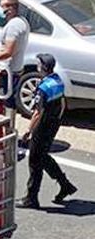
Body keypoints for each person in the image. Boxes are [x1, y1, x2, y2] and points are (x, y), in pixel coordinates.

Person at [19, 53, 77, 208]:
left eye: (39, 64)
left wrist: (28, 131)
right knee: (42, 157)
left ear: (42, 67)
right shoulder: (58, 80)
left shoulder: (43, 87)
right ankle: (65, 185)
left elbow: (38, 112)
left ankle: (31, 198)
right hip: (54, 123)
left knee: (35, 162)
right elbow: (62, 102)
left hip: (43, 126)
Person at [0, 0, 30, 114]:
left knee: (6, 103)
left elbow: (8, 52)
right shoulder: (22, 21)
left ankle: (8, 127)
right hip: (14, 70)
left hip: (8, 72)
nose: (0, 9)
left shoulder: (13, 27)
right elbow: (7, 46)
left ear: (11, 8)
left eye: (3, 6)